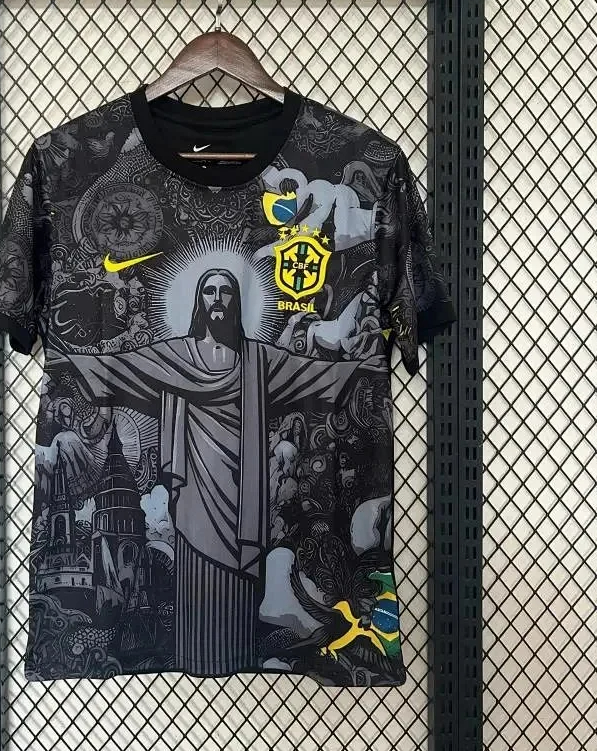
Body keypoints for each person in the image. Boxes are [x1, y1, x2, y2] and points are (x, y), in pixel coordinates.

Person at [47, 268, 385, 672]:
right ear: (199, 301)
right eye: (210, 291)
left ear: (237, 300)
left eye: (226, 291)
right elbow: (127, 366)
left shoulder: (257, 359)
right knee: (196, 567)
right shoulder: (179, 356)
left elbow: (307, 372)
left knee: (240, 576)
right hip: (195, 486)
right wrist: (69, 360)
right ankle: (195, 653)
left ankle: (239, 652)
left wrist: (360, 367)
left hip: (243, 488)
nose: (218, 298)